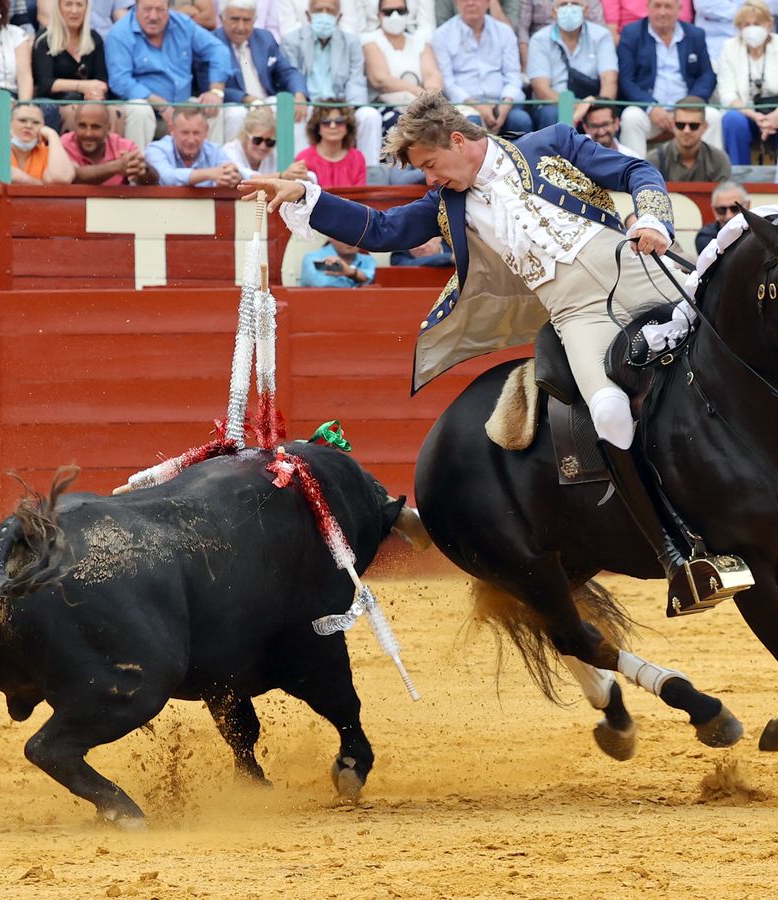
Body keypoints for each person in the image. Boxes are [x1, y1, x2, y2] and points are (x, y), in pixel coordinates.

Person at [242, 91, 736, 610]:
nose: (430, 179)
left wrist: (652, 219)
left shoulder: (551, 143)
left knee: (749, 339)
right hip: (577, 315)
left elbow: (636, 171)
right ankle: (677, 555)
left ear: (458, 140)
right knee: (610, 415)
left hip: (640, 269)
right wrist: (305, 196)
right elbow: (382, 230)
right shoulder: (447, 204)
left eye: (431, 165)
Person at [106, 0, 230, 147]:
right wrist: (161, 105)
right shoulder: (120, 33)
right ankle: (137, 166)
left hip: (182, 103)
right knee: (139, 110)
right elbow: (119, 80)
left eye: (160, 10)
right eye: (147, 9)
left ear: (169, 9)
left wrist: (216, 91)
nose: (153, 16)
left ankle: (213, 167)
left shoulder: (182, 24)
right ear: (136, 8)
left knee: (213, 109)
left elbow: (218, 50)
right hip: (145, 105)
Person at [282, 0, 382, 159]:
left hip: (343, 105)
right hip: (308, 105)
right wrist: (299, 96)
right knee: (297, 115)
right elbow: (291, 75)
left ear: (338, 16)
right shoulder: (291, 41)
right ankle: (299, 173)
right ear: (308, 15)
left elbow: (356, 81)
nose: (323, 15)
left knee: (370, 115)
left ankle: (372, 174)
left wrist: (348, 109)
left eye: (329, 11)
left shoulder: (351, 42)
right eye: (318, 10)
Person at [617, 0, 716, 158]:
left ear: (679, 9)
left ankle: (712, 178)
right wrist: (651, 108)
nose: (662, 12)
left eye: (668, 6)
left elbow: (708, 76)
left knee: (713, 116)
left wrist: (688, 106)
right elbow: (626, 80)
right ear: (647, 8)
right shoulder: (632, 33)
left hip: (688, 110)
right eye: (657, 6)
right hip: (649, 112)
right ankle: (635, 178)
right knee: (631, 117)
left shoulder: (695, 34)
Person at [716, 1, 778, 164]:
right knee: (732, 120)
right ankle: (739, 176)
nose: (751, 28)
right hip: (745, 111)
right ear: (739, 28)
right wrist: (754, 116)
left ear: (769, 25)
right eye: (746, 24)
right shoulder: (729, 47)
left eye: (757, 24)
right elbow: (727, 93)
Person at [211, 0, 307, 145]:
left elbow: (287, 71)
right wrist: (248, 99)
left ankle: (290, 163)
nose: (241, 27)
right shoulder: (212, 42)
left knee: (292, 108)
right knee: (237, 114)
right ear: (222, 18)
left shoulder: (265, 38)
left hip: (265, 100)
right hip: (235, 104)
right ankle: (232, 164)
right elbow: (209, 85)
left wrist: (299, 94)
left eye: (247, 20)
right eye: (235, 19)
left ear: (255, 20)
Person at [431, 0, 530, 134]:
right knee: (471, 122)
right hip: (463, 105)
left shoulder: (504, 32)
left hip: (503, 103)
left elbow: (513, 75)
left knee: (521, 121)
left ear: (489, 2)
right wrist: (476, 105)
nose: (470, 3)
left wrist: (505, 105)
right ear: (456, 2)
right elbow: (448, 82)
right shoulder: (442, 35)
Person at [526, 0, 618, 131]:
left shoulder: (602, 36)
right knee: (551, 115)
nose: (569, 9)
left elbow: (610, 81)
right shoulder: (539, 39)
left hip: (593, 105)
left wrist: (596, 107)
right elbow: (541, 90)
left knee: (604, 119)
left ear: (586, 10)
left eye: (575, 3)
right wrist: (578, 107)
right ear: (553, 12)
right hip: (555, 105)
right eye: (563, 4)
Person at [364, 0, 446, 129]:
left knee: (443, 124)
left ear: (407, 13)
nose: (395, 16)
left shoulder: (419, 42)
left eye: (400, 11)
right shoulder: (371, 42)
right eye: (388, 12)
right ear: (379, 15)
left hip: (423, 106)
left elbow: (432, 74)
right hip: (388, 106)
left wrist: (429, 96)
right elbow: (381, 79)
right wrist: (419, 93)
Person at [32, 0, 111, 133]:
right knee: (75, 112)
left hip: (88, 101)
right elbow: (44, 84)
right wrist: (82, 86)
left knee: (114, 112)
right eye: (68, 4)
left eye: (79, 5)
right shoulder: (45, 39)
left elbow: (101, 81)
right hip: (56, 102)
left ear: (86, 8)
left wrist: (96, 93)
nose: (74, 11)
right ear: (59, 8)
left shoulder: (94, 39)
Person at [0, 101, 76, 182]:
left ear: (43, 127)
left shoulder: (46, 152)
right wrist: (40, 186)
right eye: (22, 120)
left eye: (36, 122)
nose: (28, 126)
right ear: (8, 124)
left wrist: (53, 135)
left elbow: (61, 178)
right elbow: (2, 174)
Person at [144, 102, 243, 184]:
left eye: (196, 133)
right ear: (172, 130)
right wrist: (210, 174)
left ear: (206, 131)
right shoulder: (156, 149)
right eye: (185, 133)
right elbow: (166, 177)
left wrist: (234, 176)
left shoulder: (215, 151)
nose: (191, 140)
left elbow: (236, 173)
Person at [63, 100, 160, 183]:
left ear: (108, 128)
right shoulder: (63, 144)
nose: (88, 134)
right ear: (74, 126)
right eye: (82, 126)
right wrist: (116, 167)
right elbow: (74, 175)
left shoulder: (124, 146)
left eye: (96, 127)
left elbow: (152, 182)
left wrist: (142, 170)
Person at [223, 104, 312, 177]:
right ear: (245, 136)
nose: (263, 146)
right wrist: (282, 176)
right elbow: (242, 175)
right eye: (257, 140)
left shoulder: (274, 154)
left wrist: (299, 173)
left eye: (270, 142)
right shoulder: (229, 150)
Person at [653, 97, 730, 179]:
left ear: (705, 127)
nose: (686, 131)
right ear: (672, 125)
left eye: (693, 126)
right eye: (681, 125)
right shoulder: (655, 160)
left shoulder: (719, 161)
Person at [296, 102, 366, 184]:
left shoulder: (357, 157)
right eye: (326, 122)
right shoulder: (304, 158)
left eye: (339, 121)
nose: (333, 126)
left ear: (348, 127)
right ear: (317, 128)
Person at [693, 180, 746, 251]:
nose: (729, 216)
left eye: (735, 208)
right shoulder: (705, 236)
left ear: (747, 206)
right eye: (722, 210)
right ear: (714, 211)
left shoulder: (758, 233)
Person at [298, 236, 375, 285]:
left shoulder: (368, 260)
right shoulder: (312, 259)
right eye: (344, 233)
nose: (350, 240)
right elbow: (325, 285)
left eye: (356, 234)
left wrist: (350, 272)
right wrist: (358, 277)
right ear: (330, 236)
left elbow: (376, 280)